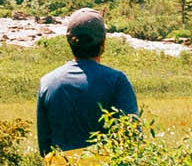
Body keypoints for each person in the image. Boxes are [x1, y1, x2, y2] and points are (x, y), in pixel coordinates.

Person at [36, 8, 138, 159]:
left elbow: (44, 148)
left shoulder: (47, 82)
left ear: (69, 41)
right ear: (103, 42)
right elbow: (132, 138)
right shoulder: (117, 81)